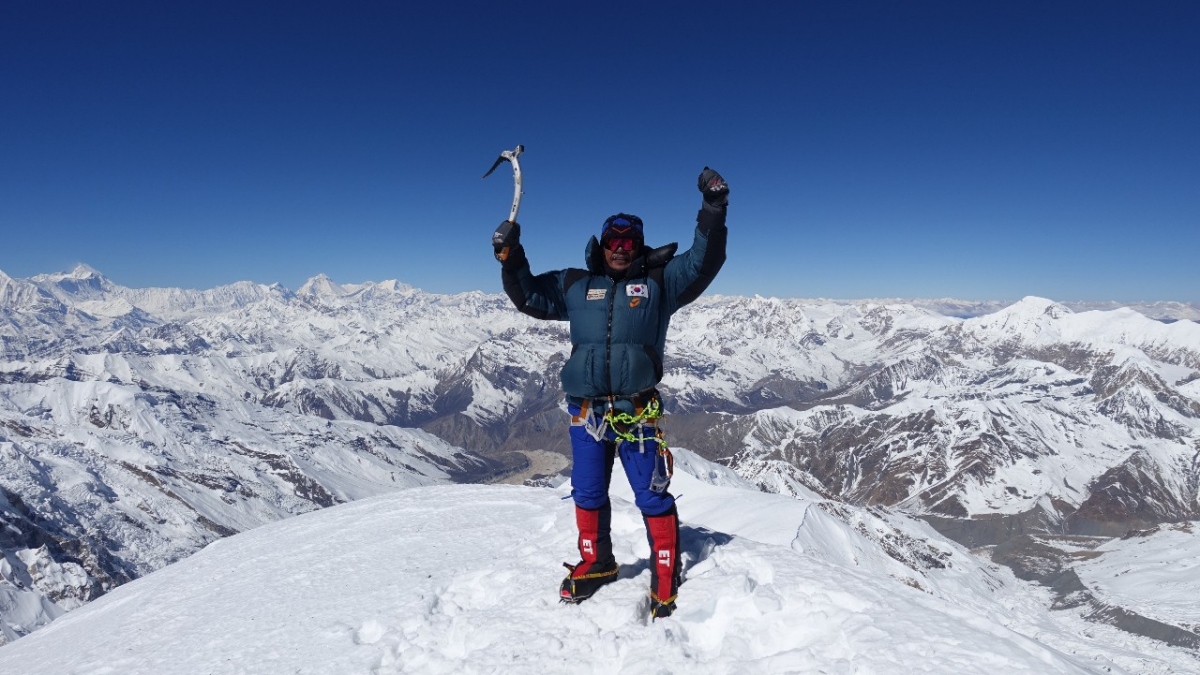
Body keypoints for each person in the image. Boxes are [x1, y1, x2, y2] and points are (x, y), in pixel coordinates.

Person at [492, 167, 729, 619]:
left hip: (636, 413)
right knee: (587, 493)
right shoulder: (574, 285)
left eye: (629, 241)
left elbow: (704, 261)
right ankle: (597, 561)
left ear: (639, 246)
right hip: (586, 414)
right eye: (613, 241)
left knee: (652, 496)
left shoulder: (661, 284)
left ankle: (665, 570)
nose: (620, 248)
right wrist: (510, 254)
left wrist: (713, 208)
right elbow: (529, 296)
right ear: (601, 246)